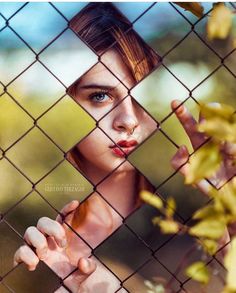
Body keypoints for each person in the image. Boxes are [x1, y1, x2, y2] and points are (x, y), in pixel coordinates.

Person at [13, 3, 235, 293]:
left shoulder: (174, 219)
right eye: (101, 96)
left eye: (139, 94)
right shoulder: (47, 228)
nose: (128, 120)